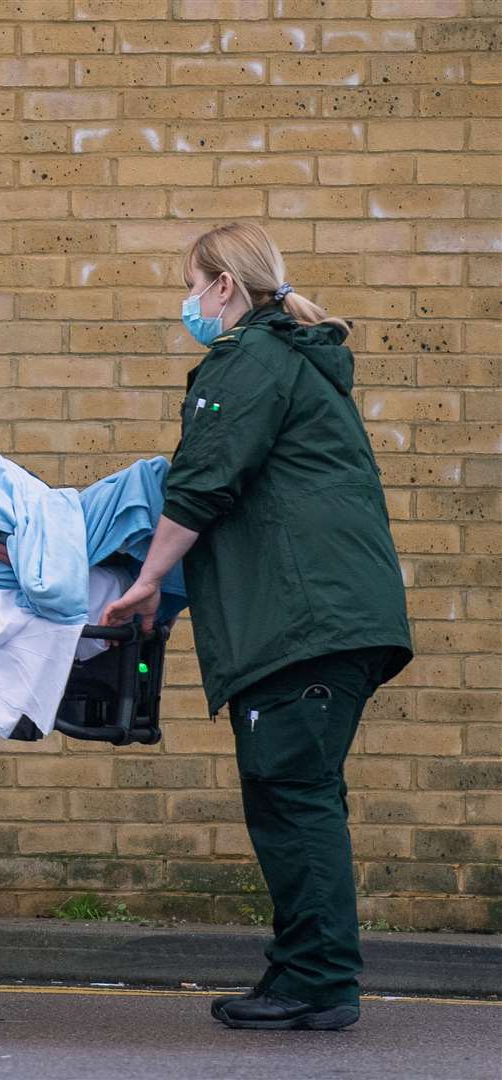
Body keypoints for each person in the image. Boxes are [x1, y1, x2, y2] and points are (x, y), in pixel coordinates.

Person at [102, 223, 411, 1031]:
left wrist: (147, 581)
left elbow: (204, 483)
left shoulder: (250, 362)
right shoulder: (294, 358)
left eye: (194, 283)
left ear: (225, 288)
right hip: (329, 617)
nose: (190, 301)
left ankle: (315, 983)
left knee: (292, 799)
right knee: (299, 797)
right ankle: (314, 980)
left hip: (302, 622)